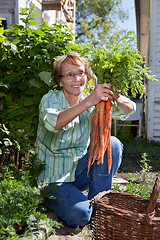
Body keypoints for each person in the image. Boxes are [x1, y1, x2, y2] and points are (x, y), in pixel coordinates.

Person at [36, 52, 136, 228]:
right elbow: (54, 124)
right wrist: (89, 101)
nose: (77, 79)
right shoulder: (50, 99)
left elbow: (129, 110)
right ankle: (59, 201)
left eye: (81, 73)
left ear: (87, 76)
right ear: (60, 81)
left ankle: (99, 202)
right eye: (69, 74)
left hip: (80, 171)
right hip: (53, 178)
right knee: (80, 216)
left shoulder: (94, 100)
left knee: (112, 144)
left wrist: (117, 97)